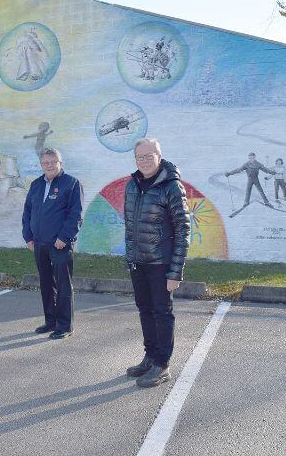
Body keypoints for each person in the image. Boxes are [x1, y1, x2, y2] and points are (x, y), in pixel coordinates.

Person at [124, 138, 191, 388]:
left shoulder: (172, 187)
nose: (143, 161)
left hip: (161, 265)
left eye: (148, 156)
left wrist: (176, 272)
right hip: (138, 263)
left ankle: (162, 364)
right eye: (139, 157)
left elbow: (183, 230)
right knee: (145, 310)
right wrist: (131, 258)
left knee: (162, 313)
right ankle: (150, 356)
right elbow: (130, 228)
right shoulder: (132, 186)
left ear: (159, 156)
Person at [21, 147, 83, 340]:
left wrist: (64, 238)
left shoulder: (71, 184)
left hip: (60, 244)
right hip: (39, 243)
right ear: (41, 165)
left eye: (52, 162)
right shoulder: (36, 185)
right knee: (46, 283)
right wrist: (28, 237)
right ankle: (51, 321)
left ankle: (65, 326)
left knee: (63, 285)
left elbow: (76, 214)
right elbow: (27, 212)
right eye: (45, 163)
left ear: (60, 163)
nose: (49, 165)